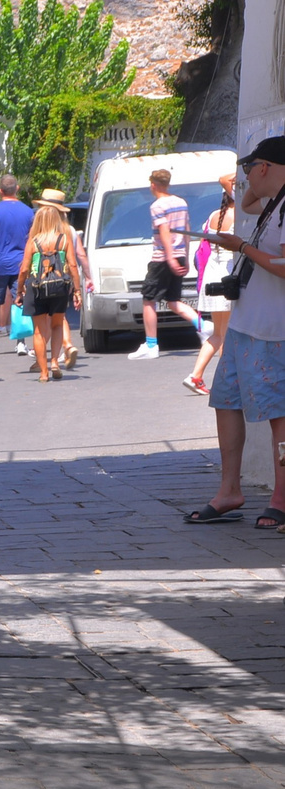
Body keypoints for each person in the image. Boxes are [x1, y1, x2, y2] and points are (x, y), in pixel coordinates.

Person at [189, 137, 285, 527]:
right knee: (225, 400)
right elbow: (245, 202)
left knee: (280, 415)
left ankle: (281, 498)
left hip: (272, 329)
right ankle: (230, 488)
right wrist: (248, 192)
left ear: (264, 167)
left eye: (250, 168)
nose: (244, 177)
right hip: (247, 324)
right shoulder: (272, 205)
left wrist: (242, 246)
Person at [129, 168, 203, 361]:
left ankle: (151, 345)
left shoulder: (157, 206)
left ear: (153, 184)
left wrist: (169, 257)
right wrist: (184, 256)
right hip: (179, 254)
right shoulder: (181, 202)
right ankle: (204, 326)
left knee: (148, 299)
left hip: (163, 257)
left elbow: (163, 230)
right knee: (173, 300)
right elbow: (186, 228)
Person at [14, 204, 83, 382]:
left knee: (38, 331)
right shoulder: (64, 239)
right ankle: (54, 362)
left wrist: (20, 289)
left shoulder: (33, 241)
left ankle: (43, 373)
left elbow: (23, 269)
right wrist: (77, 290)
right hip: (59, 287)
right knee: (57, 325)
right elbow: (73, 266)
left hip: (36, 288)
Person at [186, 176, 239, 395]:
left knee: (218, 333)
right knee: (225, 334)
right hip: (226, 276)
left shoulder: (214, 215)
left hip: (211, 275)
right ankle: (227, 383)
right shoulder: (239, 214)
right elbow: (224, 179)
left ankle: (196, 375)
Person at [0, 174, 34, 357]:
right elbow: (31, 240)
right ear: (17, 189)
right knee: (19, 300)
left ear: (0, 191)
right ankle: (21, 342)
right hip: (21, 263)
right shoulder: (29, 212)